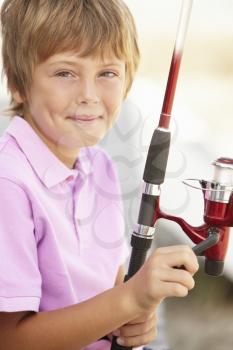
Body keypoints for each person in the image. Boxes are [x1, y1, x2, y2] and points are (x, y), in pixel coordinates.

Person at [0, 1, 199, 349]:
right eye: (65, 73)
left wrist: (135, 320)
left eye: (107, 73)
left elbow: (110, 288)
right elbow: (10, 339)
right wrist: (129, 300)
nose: (89, 96)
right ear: (18, 84)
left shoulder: (100, 166)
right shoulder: (8, 184)